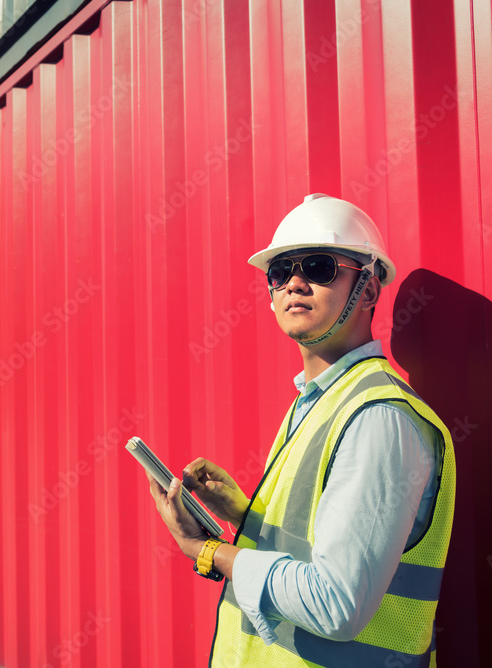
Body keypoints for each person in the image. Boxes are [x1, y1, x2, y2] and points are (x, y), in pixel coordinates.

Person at [145, 193, 456, 667]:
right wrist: (245, 513)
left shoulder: (379, 417)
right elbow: (322, 549)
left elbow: (335, 605)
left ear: (368, 290)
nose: (294, 282)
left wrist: (205, 550)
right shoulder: (320, 401)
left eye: (318, 266)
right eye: (280, 271)